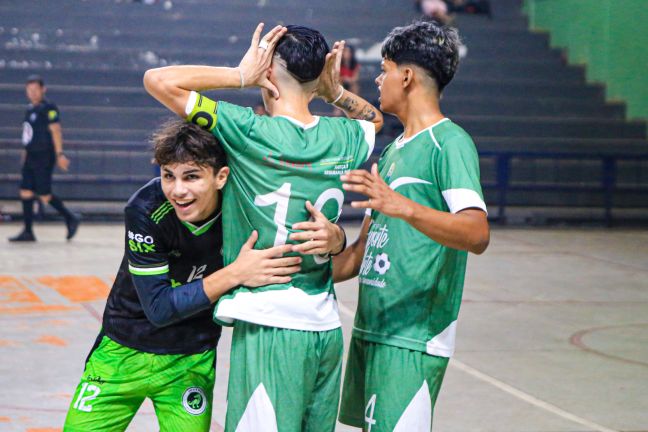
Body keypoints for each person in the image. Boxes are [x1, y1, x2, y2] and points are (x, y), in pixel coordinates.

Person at [143, 23, 383, 431]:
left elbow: (158, 80)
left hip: (270, 323)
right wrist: (333, 91)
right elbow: (374, 119)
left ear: (268, 71)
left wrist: (240, 75)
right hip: (325, 327)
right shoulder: (345, 136)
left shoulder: (246, 130)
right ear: (320, 71)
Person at [63, 120, 341, 431]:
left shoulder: (244, 207)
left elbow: (302, 260)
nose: (178, 190)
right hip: (121, 352)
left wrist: (336, 239)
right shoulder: (146, 209)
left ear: (221, 177)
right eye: (168, 176)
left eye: (191, 177)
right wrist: (235, 273)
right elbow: (159, 308)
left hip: (190, 359)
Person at [334, 20, 490, 431]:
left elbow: (476, 233)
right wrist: (313, 253)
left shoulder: (449, 143)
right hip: (372, 328)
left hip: (414, 337)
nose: (378, 80)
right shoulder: (390, 155)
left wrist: (402, 206)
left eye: (383, 70)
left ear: (406, 76)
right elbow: (357, 258)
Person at [9, 74, 79, 242]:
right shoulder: (29, 109)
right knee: (25, 191)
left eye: (35, 89)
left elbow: (56, 131)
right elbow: (28, 134)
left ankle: (70, 217)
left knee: (44, 194)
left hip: (44, 156)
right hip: (30, 156)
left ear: (43, 90)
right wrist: (25, 153)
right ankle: (28, 231)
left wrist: (59, 154)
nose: (32, 93)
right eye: (29, 90)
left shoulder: (49, 108)